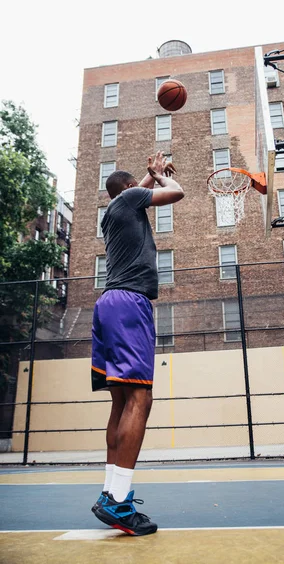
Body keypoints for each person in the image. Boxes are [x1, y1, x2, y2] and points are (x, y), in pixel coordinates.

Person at [91, 151, 184, 536]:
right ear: (129, 190)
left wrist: (148, 175)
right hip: (130, 304)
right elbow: (177, 193)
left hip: (108, 305)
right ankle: (118, 501)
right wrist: (162, 177)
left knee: (122, 400)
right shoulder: (130, 200)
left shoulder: (112, 211)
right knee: (141, 399)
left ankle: (111, 491)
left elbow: (133, 191)